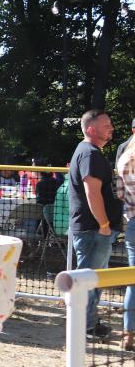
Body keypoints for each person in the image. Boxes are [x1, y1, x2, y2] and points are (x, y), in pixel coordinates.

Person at [68, 109, 123, 339]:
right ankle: (84, 327)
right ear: (91, 129)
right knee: (88, 279)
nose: (111, 127)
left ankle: (89, 323)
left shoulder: (90, 152)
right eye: (106, 124)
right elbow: (92, 192)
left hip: (94, 229)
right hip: (94, 229)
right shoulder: (89, 154)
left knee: (92, 278)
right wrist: (104, 224)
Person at [117, 142, 135, 350]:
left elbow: (120, 194)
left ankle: (128, 334)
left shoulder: (124, 160)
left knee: (133, 281)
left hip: (132, 224)